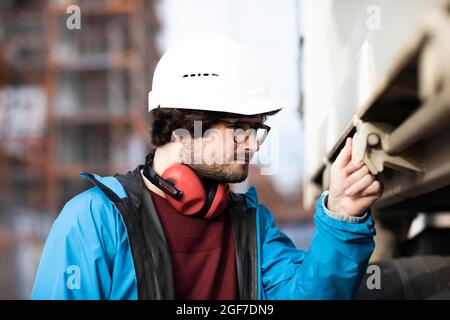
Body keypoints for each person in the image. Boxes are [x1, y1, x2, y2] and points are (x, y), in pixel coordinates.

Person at [31, 34, 381, 300]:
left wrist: (340, 217)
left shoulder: (251, 224)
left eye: (256, 129)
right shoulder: (93, 222)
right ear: (185, 129)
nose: (254, 144)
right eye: (240, 130)